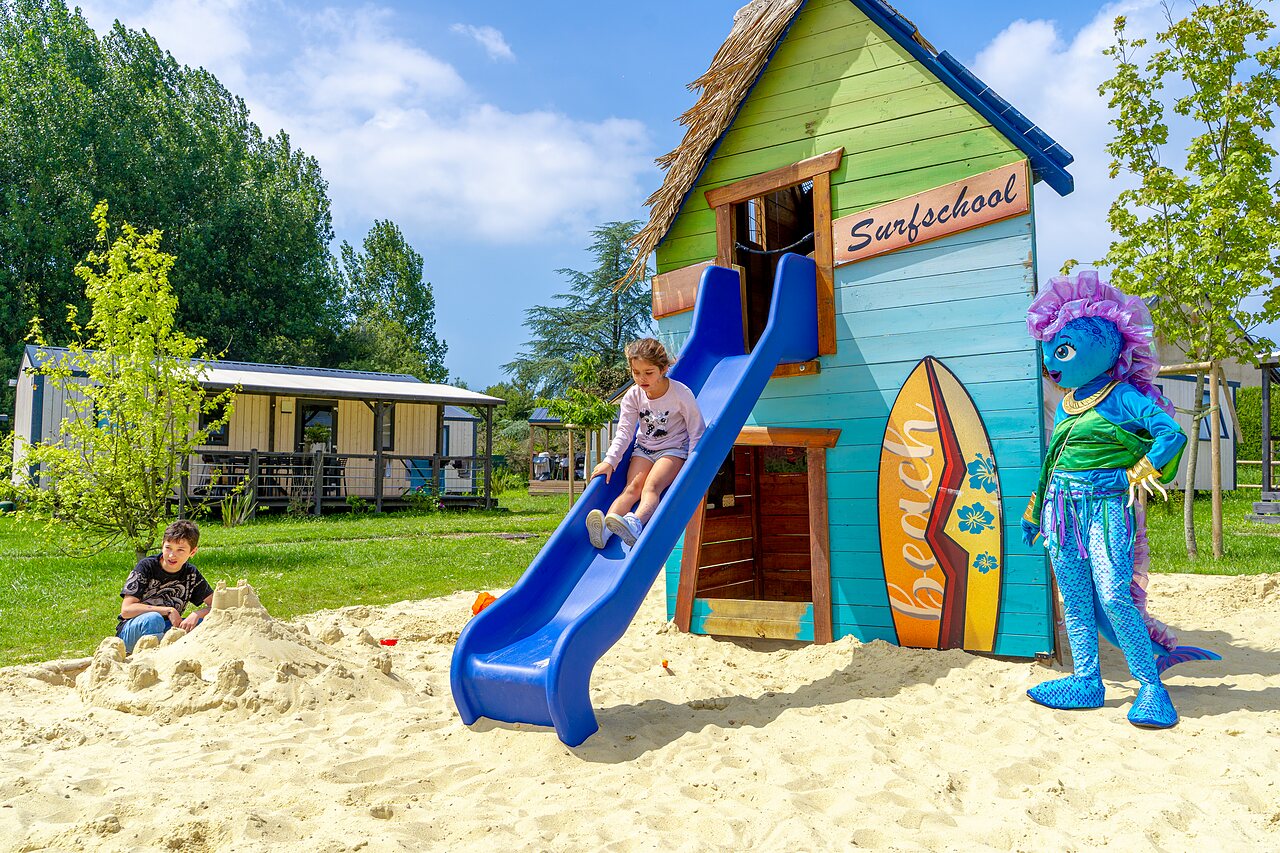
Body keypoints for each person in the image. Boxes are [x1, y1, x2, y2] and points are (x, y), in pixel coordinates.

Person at [585, 338, 705, 548]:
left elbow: (697, 431)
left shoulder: (681, 394)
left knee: (651, 486)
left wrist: (692, 466)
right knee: (631, 488)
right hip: (644, 449)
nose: (642, 379)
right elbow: (624, 431)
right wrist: (609, 461)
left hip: (673, 450)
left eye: (648, 372)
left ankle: (635, 523)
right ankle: (604, 530)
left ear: (664, 369)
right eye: (636, 372)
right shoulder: (633, 395)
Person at [116, 519, 215, 653]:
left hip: (168, 627)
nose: (172, 555)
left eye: (180, 550)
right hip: (132, 629)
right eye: (168, 548)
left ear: (192, 552)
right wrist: (168, 610)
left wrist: (197, 614)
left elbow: (218, 605)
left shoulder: (191, 574)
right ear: (162, 545)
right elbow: (126, 610)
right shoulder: (146, 566)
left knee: (205, 623)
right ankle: (149, 659)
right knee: (154, 619)